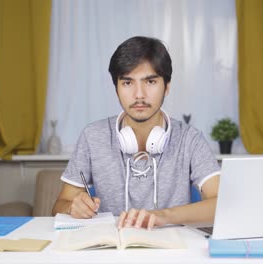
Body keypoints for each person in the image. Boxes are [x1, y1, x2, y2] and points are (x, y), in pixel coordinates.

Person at [52, 36, 220, 230]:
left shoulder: (190, 138)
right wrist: (73, 207)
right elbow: (59, 205)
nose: (139, 95)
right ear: (116, 89)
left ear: (167, 87)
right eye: (127, 83)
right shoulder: (92, 136)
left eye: (150, 81)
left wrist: (162, 216)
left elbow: (220, 205)